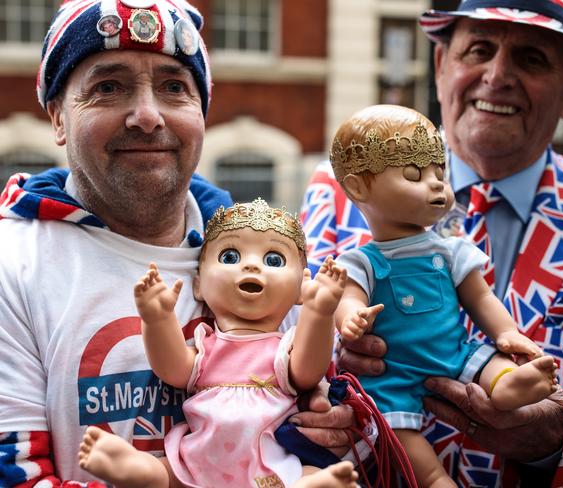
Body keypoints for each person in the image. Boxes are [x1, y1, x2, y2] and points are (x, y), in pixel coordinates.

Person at [0, 0, 356, 485]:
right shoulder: (13, 260)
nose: (147, 115)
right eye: (108, 87)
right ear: (58, 117)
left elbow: (329, 426)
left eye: (174, 88)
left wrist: (332, 425)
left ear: (202, 113)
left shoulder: (266, 255)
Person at [301, 0, 563, 486]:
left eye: (532, 58)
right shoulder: (338, 190)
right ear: (442, 66)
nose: (497, 75)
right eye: (479, 49)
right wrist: (334, 374)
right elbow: (267, 341)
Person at [331, 104, 558, 487]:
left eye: (440, 173)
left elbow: (481, 299)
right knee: (404, 441)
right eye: (413, 174)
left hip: (455, 355)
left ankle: (508, 387)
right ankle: (436, 481)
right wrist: (351, 318)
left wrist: (506, 333)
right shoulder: (361, 260)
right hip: (394, 377)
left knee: (490, 361)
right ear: (358, 187)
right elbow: (347, 297)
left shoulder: (450, 251)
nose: (437, 184)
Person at [77, 199, 358, 488]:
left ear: (302, 286)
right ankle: (136, 468)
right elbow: (172, 368)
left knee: (300, 475)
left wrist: (319, 313)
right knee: (167, 472)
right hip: (201, 452)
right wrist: (158, 318)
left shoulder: (284, 347)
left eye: (273, 259)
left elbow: (308, 371)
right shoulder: (207, 344)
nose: (251, 264)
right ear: (198, 285)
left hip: (266, 458)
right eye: (230, 257)